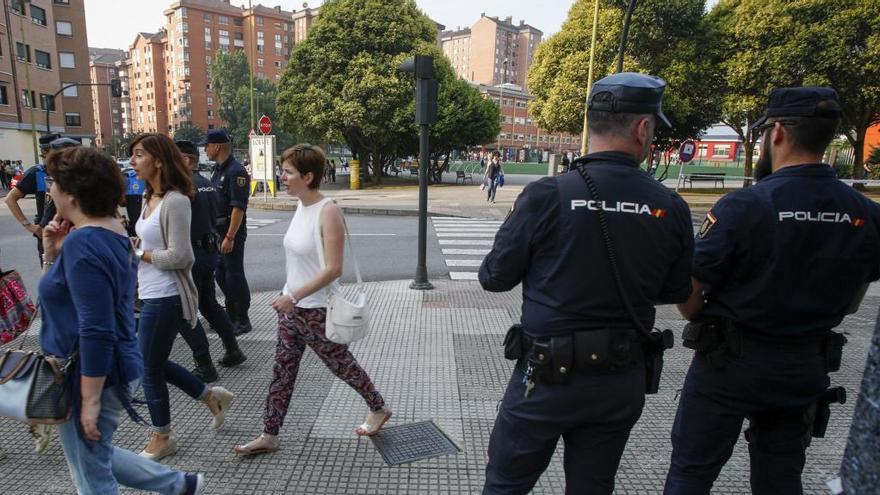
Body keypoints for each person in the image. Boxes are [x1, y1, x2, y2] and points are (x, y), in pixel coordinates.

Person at [479, 72, 694, 494]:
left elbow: (494, 277)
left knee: (506, 485)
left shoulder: (547, 194)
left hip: (543, 379)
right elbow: (675, 291)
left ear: (589, 123)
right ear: (643, 128)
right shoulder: (670, 205)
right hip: (618, 381)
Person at [664, 87, 880, 494]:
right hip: (804, 368)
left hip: (729, 367)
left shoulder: (743, 207)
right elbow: (853, 301)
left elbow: (688, 296)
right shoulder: (866, 214)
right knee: (780, 478)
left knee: (691, 474)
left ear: (776, 132)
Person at [39, 146, 205, 494]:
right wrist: (52, 255)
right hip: (101, 366)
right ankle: (179, 485)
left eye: (53, 181)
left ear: (72, 193)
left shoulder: (84, 243)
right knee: (91, 457)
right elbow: (74, 299)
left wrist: (91, 399)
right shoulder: (111, 229)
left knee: (91, 478)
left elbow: (95, 328)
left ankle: (179, 485)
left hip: (86, 371)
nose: (48, 188)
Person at [233, 144, 391, 456]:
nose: (282, 177)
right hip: (292, 308)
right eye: (283, 170)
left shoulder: (327, 210)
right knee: (282, 371)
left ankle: (378, 407)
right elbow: (300, 261)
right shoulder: (300, 206)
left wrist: (293, 295)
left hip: (316, 308)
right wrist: (287, 294)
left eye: (288, 172)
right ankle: (269, 434)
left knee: (342, 365)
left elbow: (334, 269)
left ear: (308, 176)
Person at [129, 134, 234, 461]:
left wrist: (139, 253)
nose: (133, 162)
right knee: (153, 363)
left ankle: (163, 435)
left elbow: (181, 256)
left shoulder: (175, 200)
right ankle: (210, 396)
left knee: (147, 367)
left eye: (138, 155)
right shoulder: (150, 197)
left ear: (158, 160)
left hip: (167, 295)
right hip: (150, 292)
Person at [175, 139, 247, 376]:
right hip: (207, 251)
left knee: (184, 311)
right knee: (208, 304)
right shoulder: (206, 182)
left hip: (192, 254)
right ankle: (232, 349)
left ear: (186, 160)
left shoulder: (183, 187)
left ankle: (204, 363)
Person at [203, 129, 252, 335]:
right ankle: (231, 314)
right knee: (221, 274)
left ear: (217, 146)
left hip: (231, 233)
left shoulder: (236, 171)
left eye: (207, 145)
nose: (205, 149)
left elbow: (238, 207)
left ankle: (242, 318)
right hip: (218, 231)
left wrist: (230, 236)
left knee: (234, 275)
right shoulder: (217, 170)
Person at [5, 133, 59, 261]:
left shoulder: (67, 172)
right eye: (56, 150)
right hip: (47, 235)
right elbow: (10, 199)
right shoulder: (37, 173)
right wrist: (28, 225)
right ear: (45, 152)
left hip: (69, 233)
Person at [124, 166, 146, 238]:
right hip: (132, 197)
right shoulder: (128, 176)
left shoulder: (147, 176)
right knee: (134, 219)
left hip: (140, 197)